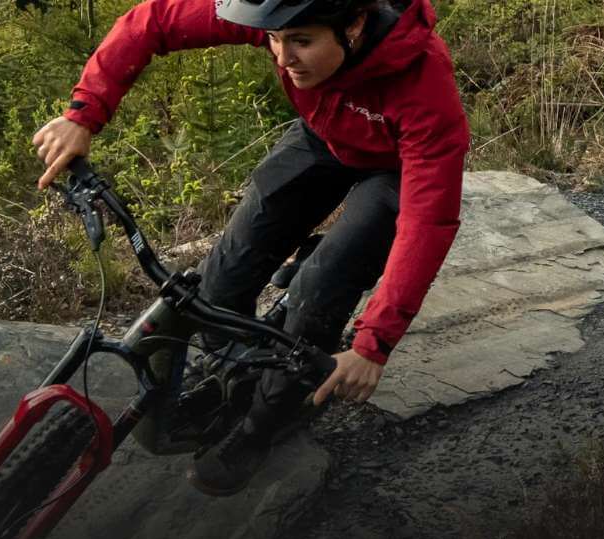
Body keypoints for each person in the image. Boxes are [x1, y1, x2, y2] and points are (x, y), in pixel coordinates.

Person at [30, 0, 468, 496]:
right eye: (275, 40)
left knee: (321, 288)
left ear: (354, 26)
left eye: (301, 42)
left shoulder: (423, 81)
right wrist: (83, 114)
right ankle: (232, 369)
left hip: (394, 170)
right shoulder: (278, 15)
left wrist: (375, 344)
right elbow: (152, 21)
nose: (283, 57)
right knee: (224, 276)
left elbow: (428, 222)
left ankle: (264, 423)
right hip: (323, 136)